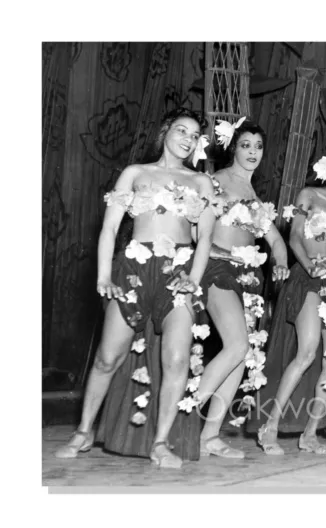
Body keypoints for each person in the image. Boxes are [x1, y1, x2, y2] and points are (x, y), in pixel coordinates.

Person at [54, 108, 216, 468]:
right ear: (165, 132)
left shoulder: (202, 183)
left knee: (176, 359)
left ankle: (160, 443)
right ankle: (83, 431)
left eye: (194, 135)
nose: (188, 138)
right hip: (134, 268)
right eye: (181, 130)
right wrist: (102, 276)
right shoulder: (135, 173)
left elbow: (205, 236)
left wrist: (194, 278)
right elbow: (110, 228)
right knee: (107, 357)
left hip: (179, 272)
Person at [246, 144, 326, 456]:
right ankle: (270, 425)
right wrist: (308, 264)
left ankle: (310, 434)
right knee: (308, 351)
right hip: (308, 278)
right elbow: (295, 235)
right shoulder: (309, 195)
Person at [195, 118, 290, 459]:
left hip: (250, 279)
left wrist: (279, 261)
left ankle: (210, 435)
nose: (252, 152)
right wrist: (225, 254)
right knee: (236, 346)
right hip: (218, 269)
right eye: (245, 144)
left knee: (241, 355)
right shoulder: (217, 181)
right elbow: (199, 232)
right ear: (233, 147)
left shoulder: (254, 196)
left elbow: (276, 239)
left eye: (258, 146)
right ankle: (183, 418)